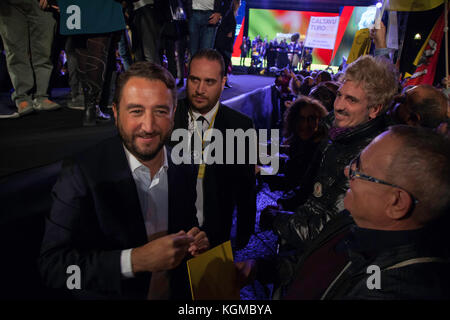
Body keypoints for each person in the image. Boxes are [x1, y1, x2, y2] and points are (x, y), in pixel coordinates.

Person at [39, 62, 209, 300]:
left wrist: (193, 244)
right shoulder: (81, 173)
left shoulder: (185, 166)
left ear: (173, 114)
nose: (148, 127)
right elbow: (53, 271)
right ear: (116, 112)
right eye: (136, 111)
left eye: (160, 111)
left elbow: (186, 233)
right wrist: (133, 261)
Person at [238, 125, 450, 299]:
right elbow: (312, 266)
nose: (347, 171)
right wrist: (260, 268)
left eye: (360, 169)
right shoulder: (351, 219)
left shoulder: (399, 289)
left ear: (396, 202)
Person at [261, 55, 399, 250]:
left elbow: (330, 231)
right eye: (340, 95)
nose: (338, 105)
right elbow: (310, 187)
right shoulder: (333, 131)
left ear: (375, 109)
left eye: (351, 100)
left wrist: (277, 220)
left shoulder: (371, 158)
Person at [170, 49, 256, 250]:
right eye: (194, 80)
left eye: (209, 82)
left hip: (217, 232)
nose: (200, 89)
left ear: (223, 82)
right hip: (171, 230)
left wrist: (243, 234)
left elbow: (246, 186)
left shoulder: (240, 126)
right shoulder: (169, 115)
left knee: (210, 282)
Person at [0, 0, 60, 119]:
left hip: (40, 3)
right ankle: (22, 97)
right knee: (16, 51)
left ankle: (41, 96)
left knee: (44, 50)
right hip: (8, 4)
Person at [214, 0, 240, 88]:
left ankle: (223, 80)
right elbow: (224, 27)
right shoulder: (229, 14)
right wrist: (229, 32)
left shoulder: (230, 14)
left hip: (225, 43)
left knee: (224, 62)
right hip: (225, 43)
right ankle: (222, 80)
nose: (239, 6)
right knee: (224, 62)